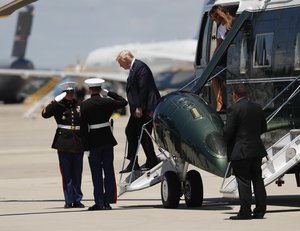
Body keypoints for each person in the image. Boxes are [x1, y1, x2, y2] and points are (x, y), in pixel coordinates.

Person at [80, 78, 128, 210]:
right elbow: (124, 102)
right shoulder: (107, 102)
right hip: (107, 140)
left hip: (93, 141)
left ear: (89, 89)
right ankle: (108, 202)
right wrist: (110, 93)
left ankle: (99, 202)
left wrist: (85, 147)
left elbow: (83, 128)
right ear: (100, 88)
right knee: (108, 171)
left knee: (96, 173)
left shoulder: (85, 105)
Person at [223, 84, 267, 220]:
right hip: (256, 149)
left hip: (241, 151)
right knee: (258, 180)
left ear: (235, 95)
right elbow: (263, 128)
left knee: (244, 181)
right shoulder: (257, 107)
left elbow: (227, 132)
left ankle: (245, 212)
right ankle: (260, 211)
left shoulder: (234, 109)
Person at [41, 81, 85, 209]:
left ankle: (77, 199)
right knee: (66, 174)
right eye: (68, 92)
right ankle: (68, 200)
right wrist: (55, 101)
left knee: (77, 173)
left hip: (78, 142)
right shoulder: (58, 105)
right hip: (63, 142)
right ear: (63, 93)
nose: (71, 94)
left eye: (72, 92)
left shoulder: (79, 104)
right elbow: (45, 114)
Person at [116, 50, 160, 173]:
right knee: (130, 131)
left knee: (144, 135)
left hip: (146, 109)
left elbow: (143, 88)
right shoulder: (134, 68)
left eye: (120, 63)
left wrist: (139, 107)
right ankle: (133, 162)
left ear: (125, 60)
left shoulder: (141, 67)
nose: (120, 66)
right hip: (138, 110)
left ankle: (151, 161)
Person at [209, 5, 234, 112]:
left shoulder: (233, 22)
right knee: (214, 76)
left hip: (232, 55)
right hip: (223, 56)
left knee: (227, 80)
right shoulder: (220, 28)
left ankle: (232, 101)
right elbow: (218, 45)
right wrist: (213, 59)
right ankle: (220, 102)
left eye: (216, 17)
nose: (215, 20)